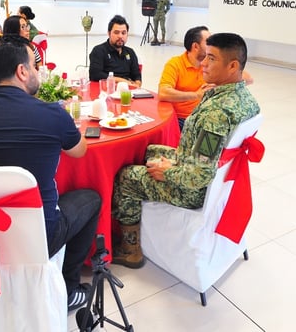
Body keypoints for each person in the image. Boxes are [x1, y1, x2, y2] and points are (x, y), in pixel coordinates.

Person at [0, 38, 101, 312]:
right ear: (22, 71)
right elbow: (79, 152)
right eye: (35, 66)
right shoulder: (52, 115)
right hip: (37, 237)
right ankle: (70, 288)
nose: (38, 72)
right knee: (90, 198)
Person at [112, 32, 260, 268]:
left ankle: (130, 249)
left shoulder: (216, 113)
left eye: (211, 58)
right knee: (148, 151)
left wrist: (168, 172)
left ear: (232, 65)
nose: (203, 63)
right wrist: (174, 163)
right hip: (212, 173)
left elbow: (198, 175)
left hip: (192, 189)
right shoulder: (244, 98)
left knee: (126, 176)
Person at [159, 26, 255, 130]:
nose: (211, 44)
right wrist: (195, 95)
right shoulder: (175, 64)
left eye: (211, 58)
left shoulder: (212, 66)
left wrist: (220, 82)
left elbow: (248, 78)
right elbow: (163, 93)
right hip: (181, 119)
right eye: (207, 41)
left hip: (203, 116)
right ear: (195, 46)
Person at [88, 15, 142, 87]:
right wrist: (122, 81)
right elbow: (95, 75)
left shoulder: (130, 52)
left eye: (123, 33)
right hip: (106, 91)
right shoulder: (99, 51)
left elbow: (137, 75)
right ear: (109, 33)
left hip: (127, 92)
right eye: (116, 32)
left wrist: (137, 85)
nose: (120, 36)